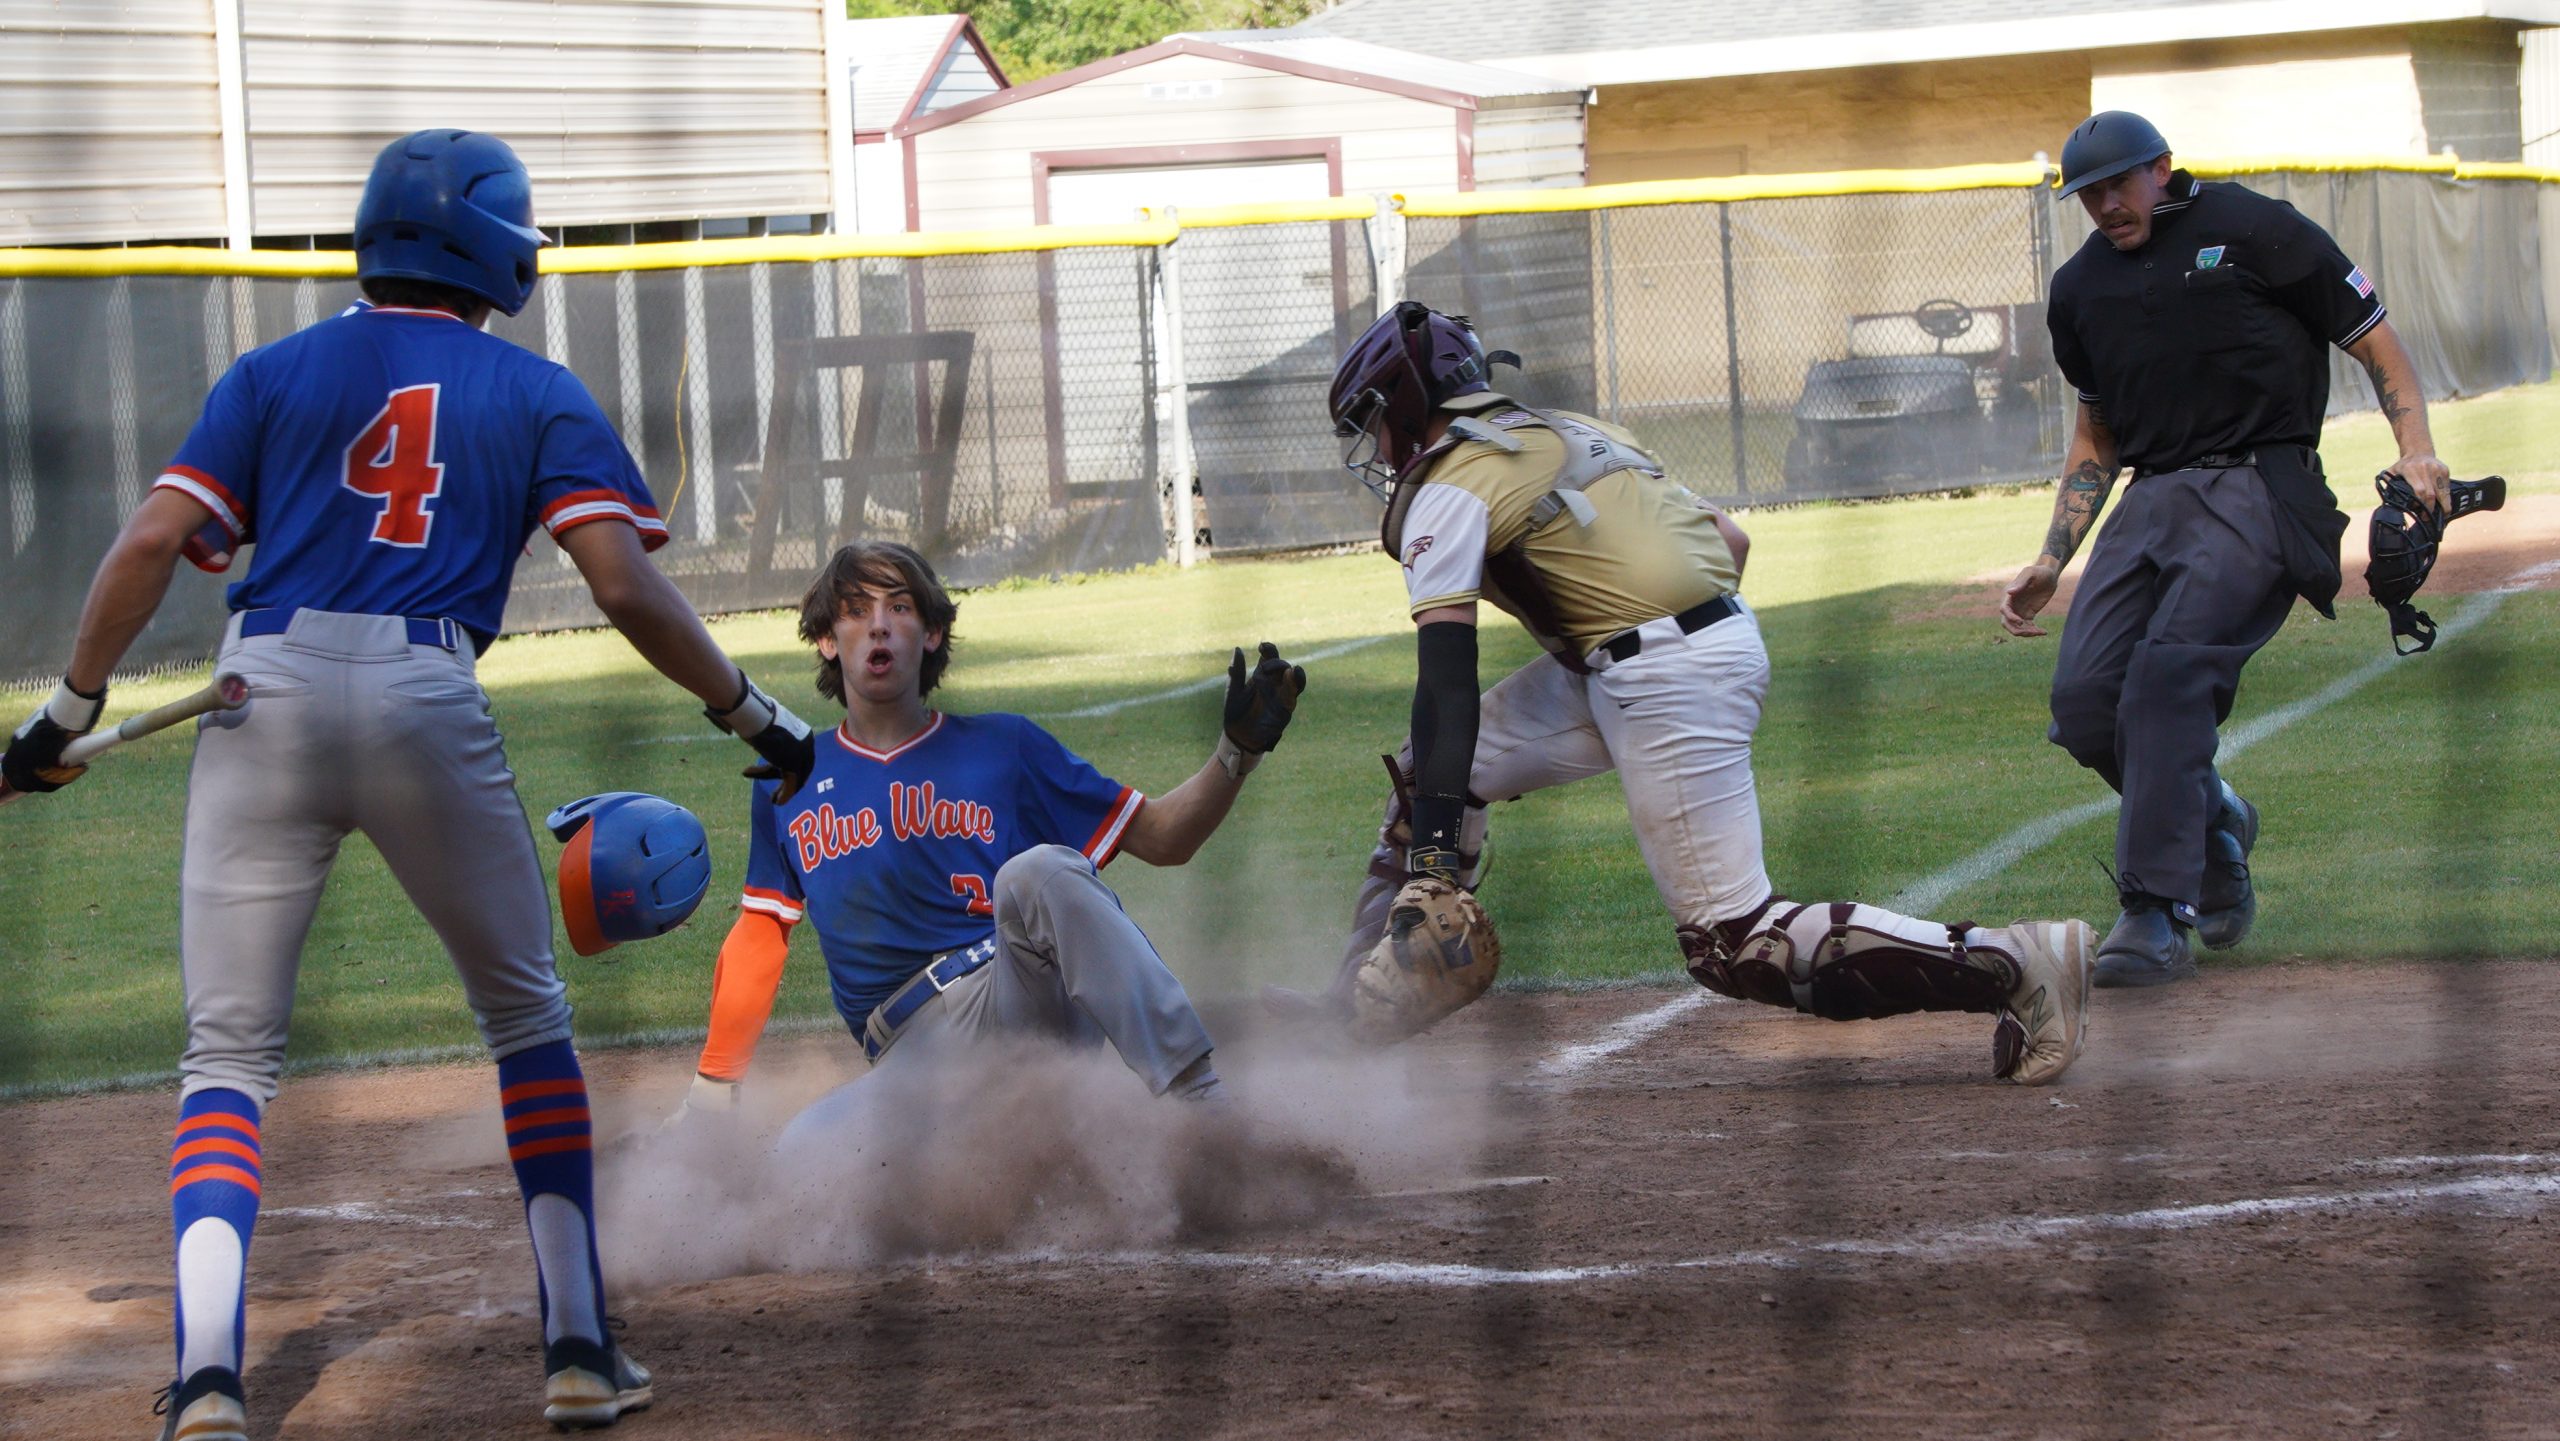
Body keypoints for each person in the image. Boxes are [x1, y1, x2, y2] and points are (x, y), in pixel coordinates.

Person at [1, 130, 824, 1438]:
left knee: (227, 1055)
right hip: (426, 694)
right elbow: (623, 584)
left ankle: (209, 1380)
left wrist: (60, 718)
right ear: (498, 250)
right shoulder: (534, 387)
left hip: (256, 687)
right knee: (524, 1019)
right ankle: (575, 1348)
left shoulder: (273, 371)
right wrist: (756, 713)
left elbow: (163, 536)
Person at [1276, 301, 2093, 1084]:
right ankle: (1354, 1014)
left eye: (1375, 422)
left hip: (1653, 665)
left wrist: (1432, 864)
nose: (1379, 451)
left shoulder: (1450, 480)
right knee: (1431, 777)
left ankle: (2017, 963)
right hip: (1664, 647)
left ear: (1409, 400)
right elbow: (1727, 540)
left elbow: (1445, 681)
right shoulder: (1569, 429)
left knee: (1735, 942)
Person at [1999, 111, 2452, 987]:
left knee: (2169, 677)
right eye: (2087, 193)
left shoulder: (2256, 229)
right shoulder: (2079, 288)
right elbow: (2097, 435)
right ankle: (2216, 818)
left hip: (2259, 486)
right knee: (2088, 700)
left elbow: (2375, 339)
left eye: (2117, 183)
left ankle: (2155, 907)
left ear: (2162, 168)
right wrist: (2053, 555)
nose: (2103, 204)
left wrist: (2416, 448)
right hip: (2150, 499)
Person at [668, 541, 1303, 1129]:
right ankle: (1046, 1158)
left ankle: (1202, 1109)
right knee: (798, 1183)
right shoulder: (790, 778)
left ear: (933, 632)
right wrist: (710, 1095)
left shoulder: (1005, 747)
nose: (879, 625)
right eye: (856, 611)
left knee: (1037, 872)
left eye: (900, 607)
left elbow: (1166, 838)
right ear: (829, 640)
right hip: (911, 1060)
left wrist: (1234, 754)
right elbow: (761, 931)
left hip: (1018, 1002)